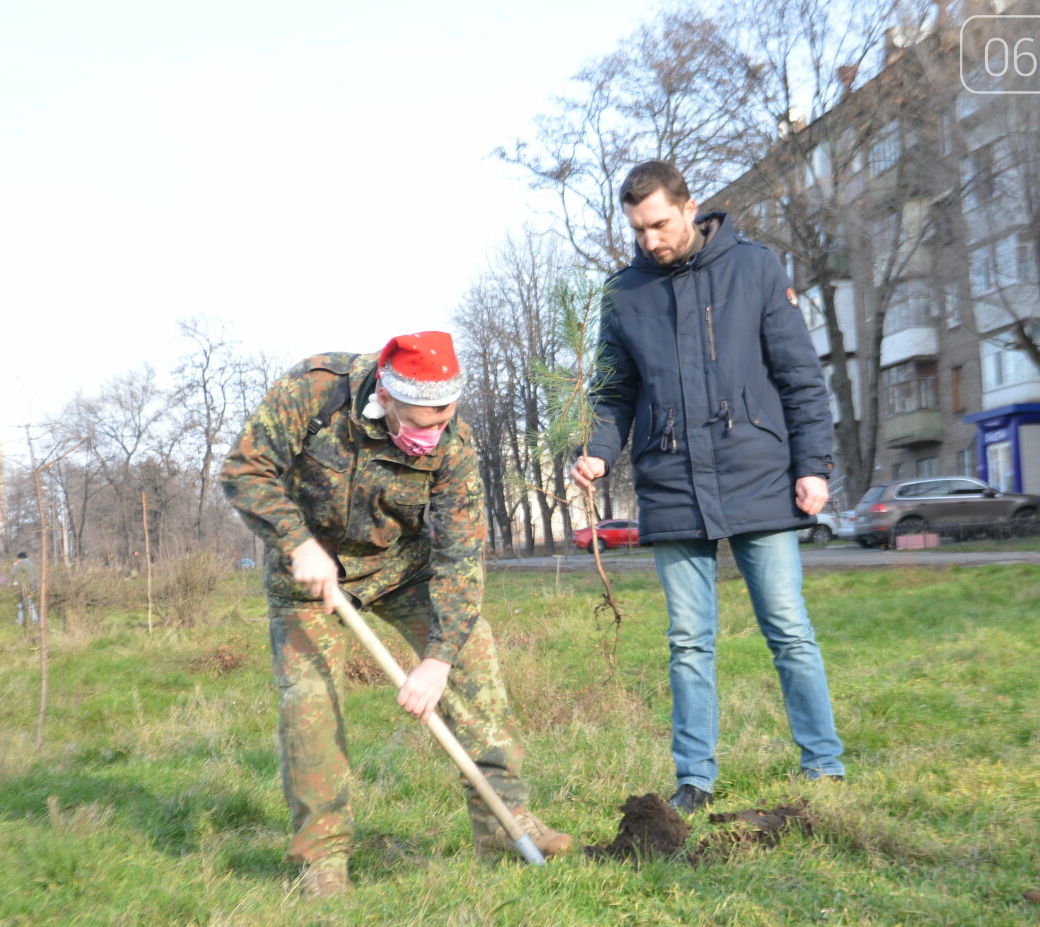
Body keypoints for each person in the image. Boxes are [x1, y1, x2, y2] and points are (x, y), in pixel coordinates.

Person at [221, 331, 570, 899]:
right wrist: (297, 542)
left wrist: (437, 661)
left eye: (444, 417)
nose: (432, 435)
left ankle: (506, 824)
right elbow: (245, 470)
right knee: (309, 703)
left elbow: (460, 561)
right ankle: (323, 858)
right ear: (385, 393)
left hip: (400, 570)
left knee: (471, 658)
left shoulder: (454, 448)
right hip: (309, 575)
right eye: (421, 422)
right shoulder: (316, 393)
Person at [570, 161, 845, 813]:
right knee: (689, 639)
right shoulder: (625, 293)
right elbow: (613, 391)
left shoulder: (754, 268)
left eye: (660, 224)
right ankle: (693, 778)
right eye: (638, 230)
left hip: (758, 472)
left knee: (787, 626)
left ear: (690, 208)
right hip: (671, 482)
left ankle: (824, 764)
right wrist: (600, 454)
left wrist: (814, 465)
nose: (650, 241)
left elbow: (801, 377)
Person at [11, 551, 39, 625]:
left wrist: (14, 566)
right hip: (33, 587)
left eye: (18, 559)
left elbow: (14, 574)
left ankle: (33, 620)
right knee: (24, 603)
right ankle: (22, 620)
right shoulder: (32, 564)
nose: (18, 561)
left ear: (21, 558)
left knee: (27, 604)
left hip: (25, 588)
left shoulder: (22, 565)